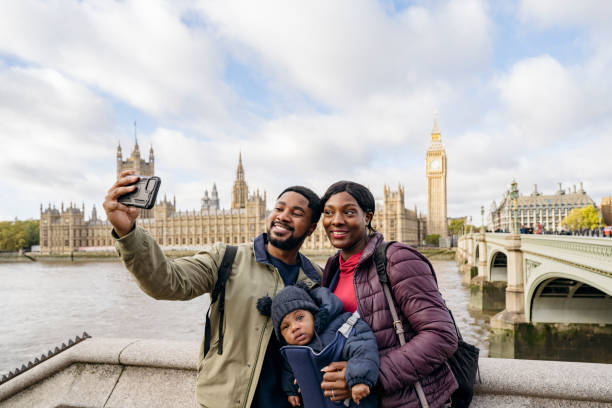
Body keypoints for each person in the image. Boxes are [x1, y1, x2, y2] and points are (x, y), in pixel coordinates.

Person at [103, 169, 323, 408]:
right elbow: (166, 281)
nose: (283, 216)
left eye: (296, 213)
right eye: (279, 208)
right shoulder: (226, 258)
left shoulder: (317, 278)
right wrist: (129, 233)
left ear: (311, 228)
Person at [318, 181, 459, 408]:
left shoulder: (397, 259)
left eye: (349, 212)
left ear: (368, 217)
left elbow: (442, 336)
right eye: (328, 213)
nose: (336, 220)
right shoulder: (332, 269)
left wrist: (365, 375)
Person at [256, 281, 379, 407]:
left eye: (299, 318)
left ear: (314, 314)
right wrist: (290, 391)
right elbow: (289, 369)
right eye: (286, 326)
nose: (294, 328)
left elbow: (363, 348)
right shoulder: (293, 350)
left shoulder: (338, 328)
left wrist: (359, 380)